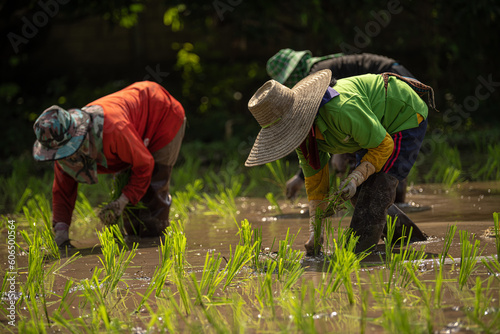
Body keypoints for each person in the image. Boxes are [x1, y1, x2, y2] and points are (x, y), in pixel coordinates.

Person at [245, 69, 435, 255]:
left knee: (375, 191)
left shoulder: (341, 109)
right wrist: (315, 232)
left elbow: (384, 145)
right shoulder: (304, 139)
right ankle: (410, 240)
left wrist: (355, 177)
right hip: (373, 129)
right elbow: (316, 183)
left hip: (402, 115)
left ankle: (359, 255)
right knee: (360, 194)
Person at [32, 81, 186, 248]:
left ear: (79, 137)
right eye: (60, 155)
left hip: (161, 113)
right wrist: (61, 234)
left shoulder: (113, 129)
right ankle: (136, 243)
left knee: (152, 191)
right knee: (129, 195)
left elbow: (144, 164)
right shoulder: (61, 150)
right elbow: (62, 191)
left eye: (68, 152)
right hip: (133, 129)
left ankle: (157, 244)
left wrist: (122, 200)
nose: (65, 158)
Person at [266, 49, 414, 202]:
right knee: (370, 158)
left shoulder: (315, 76)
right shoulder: (320, 68)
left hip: (396, 86)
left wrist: (339, 152)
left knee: (386, 157)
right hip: (380, 95)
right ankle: (386, 205)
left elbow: (340, 111)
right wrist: (301, 176)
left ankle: (393, 206)